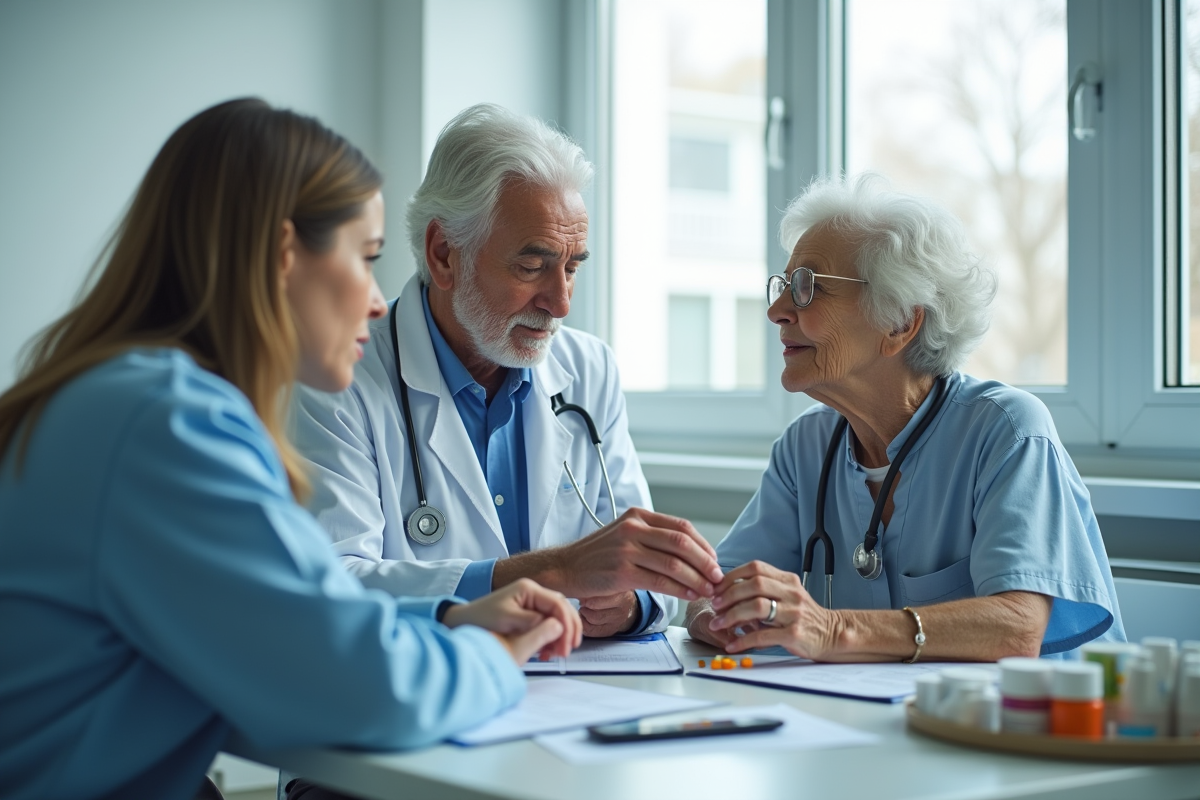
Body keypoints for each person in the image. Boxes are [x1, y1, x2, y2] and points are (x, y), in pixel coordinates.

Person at [0, 98, 582, 800]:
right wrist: (495, 655)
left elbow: (292, 613)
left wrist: (449, 615)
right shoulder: (168, 425)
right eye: (365, 258)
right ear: (284, 255)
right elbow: (364, 691)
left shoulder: (112, 396)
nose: (377, 301)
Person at [290, 103, 723, 639]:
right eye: (532, 265)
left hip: (584, 692)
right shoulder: (338, 378)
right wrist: (552, 573)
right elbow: (332, 584)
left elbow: (643, 565)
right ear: (445, 253)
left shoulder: (589, 369)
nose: (561, 302)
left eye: (572, 267)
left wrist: (630, 603)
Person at [686, 173, 1125, 662]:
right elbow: (715, 588)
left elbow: (1018, 627)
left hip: (1038, 725)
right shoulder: (805, 447)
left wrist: (831, 630)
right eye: (785, 285)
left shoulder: (1007, 431)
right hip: (881, 721)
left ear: (898, 322)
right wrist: (717, 615)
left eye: (808, 288)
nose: (777, 310)